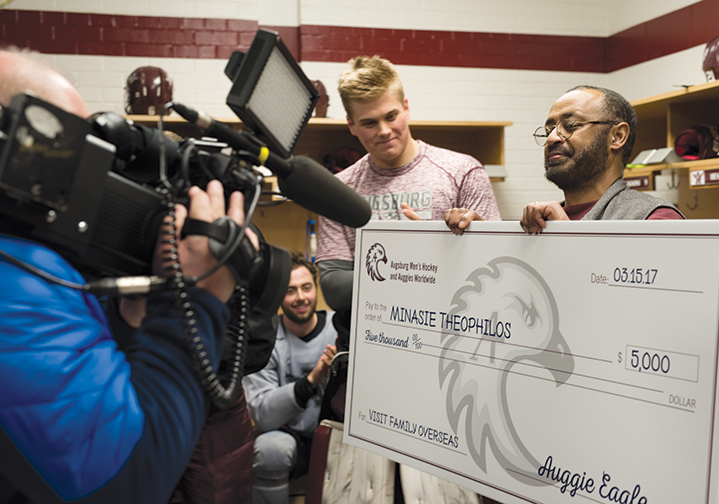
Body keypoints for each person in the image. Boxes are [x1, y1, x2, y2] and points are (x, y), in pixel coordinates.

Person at [0, 47, 256, 503]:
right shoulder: (13, 281)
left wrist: (139, 313)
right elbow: (130, 483)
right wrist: (195, 297)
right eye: (75, 153)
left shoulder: (36, 263)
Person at [519, 84, 719, 504]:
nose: (554, 136)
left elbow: (652, 338)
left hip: (644, 456)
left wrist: (570, 242)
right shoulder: (539, 227)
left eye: (570, 125)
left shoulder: (657, 219)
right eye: (549, 127)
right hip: (569, 443)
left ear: (617, 136)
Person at [315, 55, 501, 338]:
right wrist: (413, 263)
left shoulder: (463, 171)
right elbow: (335, 288)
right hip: (368, 344)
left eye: (391, 116)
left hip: (447, 340)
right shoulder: (336, 191)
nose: (384, 131)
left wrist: (429, 251)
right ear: (351, 124)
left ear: (406, 107)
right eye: (369, 123)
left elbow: (491, 272)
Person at [242, 252, 338, 504]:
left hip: (334, 431)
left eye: (306, 288)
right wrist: (311, 381)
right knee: (270, 450)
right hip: (287, 434)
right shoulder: (265, 337)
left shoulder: (338, 329)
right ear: (278, 296)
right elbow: (262, 413)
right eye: (290, 291)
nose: (301, 298)